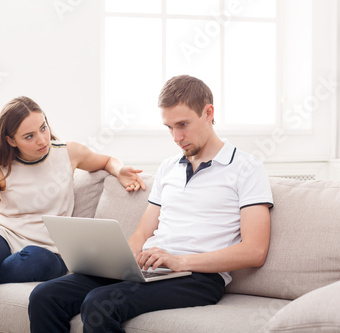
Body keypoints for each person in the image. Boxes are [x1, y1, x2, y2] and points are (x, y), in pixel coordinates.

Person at [28, 75, 274, 332]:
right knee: (45, 296)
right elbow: (143, 232)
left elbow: (254, 251)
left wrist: (180, 261)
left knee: (100, 304)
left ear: (208, 112)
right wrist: (123, 261)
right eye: (169, 127)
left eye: (182, 124)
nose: (176, 137)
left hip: (198, 277)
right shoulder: (168, 168)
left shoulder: (246, 167)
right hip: (153, 270)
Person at [0, 96, 145, 292]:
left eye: (43, 128)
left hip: (48, 250)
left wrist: (119, 169)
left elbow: (106, 160)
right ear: (11, 140)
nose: (42, 140)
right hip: (4, 237)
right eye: (29, 136)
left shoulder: (68, 153)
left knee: (36, 263)